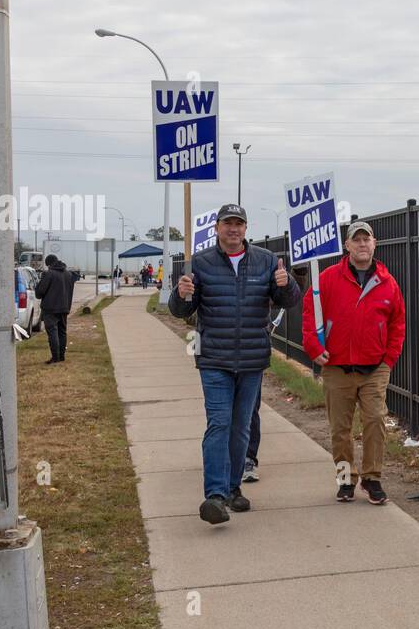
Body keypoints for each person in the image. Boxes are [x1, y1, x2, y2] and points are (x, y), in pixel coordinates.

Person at [169, 204, 302, 525]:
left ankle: (232, 489)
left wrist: (285, 283)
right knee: (219, 423)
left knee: (242, 427)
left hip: (252, 360)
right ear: (217, 228)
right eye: (227, 223)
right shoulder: (200, 264)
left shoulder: (266, 261)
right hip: (215, 359)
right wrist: (180, 293)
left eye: (238, 224)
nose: (233, 229)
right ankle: (214, 495)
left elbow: (289, 301)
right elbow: (180, 310)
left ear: (245, 228)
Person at [302, 220, 405, 505]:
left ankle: (372, 479)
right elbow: (310, 313)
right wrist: (313, 346)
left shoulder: (387, 282)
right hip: (337, 367)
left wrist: (389, 359)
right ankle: (346, 479)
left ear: (374, 244)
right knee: (340, 429)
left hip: (374, 368)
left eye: (366, 239)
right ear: (346, 246)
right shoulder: (328, 278)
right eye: (356, 240)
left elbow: (397, 323)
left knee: (375, 420)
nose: (362, 244)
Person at [35, 254, 79, 363]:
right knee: (62, 332)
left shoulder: (49, 274)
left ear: (49, 264)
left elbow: (39, 293)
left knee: (52, 332)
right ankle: (61, 356)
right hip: (64, 308)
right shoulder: (68, 274)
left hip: (50, 309)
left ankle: (55, 357)